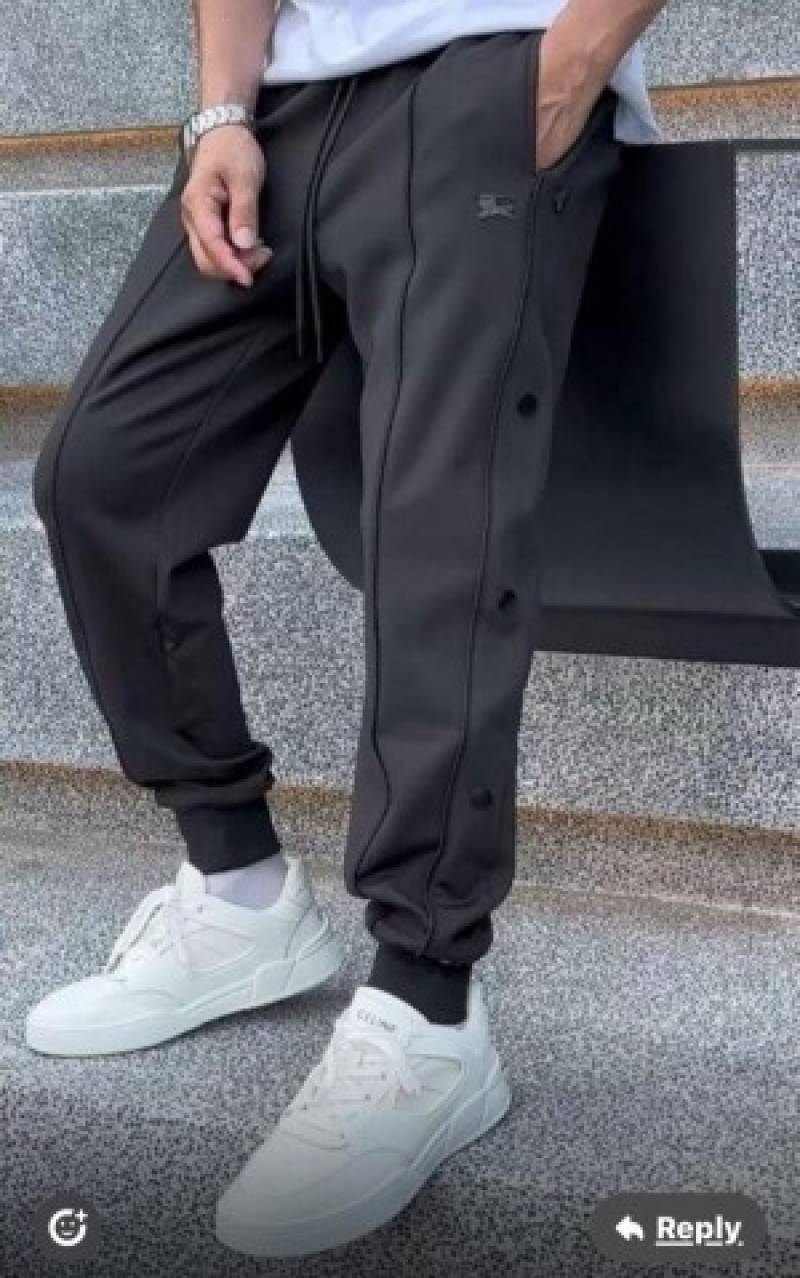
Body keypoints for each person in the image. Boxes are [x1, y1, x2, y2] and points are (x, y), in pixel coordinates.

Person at [26, 0, 667, 1258]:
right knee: (103, 477)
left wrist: (568, 65)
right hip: (280, 108)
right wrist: (223, 108)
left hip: (487, 84)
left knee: (438, 530)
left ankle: (426, 1010)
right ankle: (238, 886)